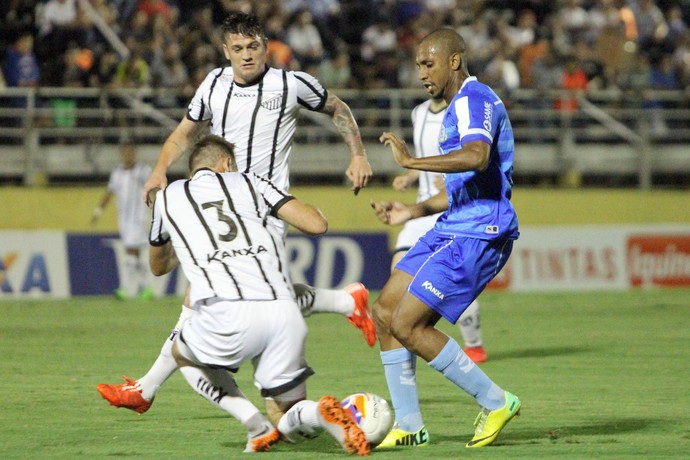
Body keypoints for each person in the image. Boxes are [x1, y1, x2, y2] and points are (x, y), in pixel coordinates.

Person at [97, 11, 374, 414]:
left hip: (265, 210)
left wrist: (358, 155)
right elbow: (182, 134)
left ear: (266, 47)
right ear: (226, 51)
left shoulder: (290, 84)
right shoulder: (212, 84)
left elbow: (337, 108)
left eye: (254, 47)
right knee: (248, 299)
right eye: (238, 49)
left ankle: (147, 388)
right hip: (221, 206)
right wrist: (158, 170)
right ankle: (347, 303)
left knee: (206, 297)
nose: (247, 55)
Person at [144, 135, 370, 455]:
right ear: (228, 164)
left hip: (229, 311)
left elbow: (158, 267)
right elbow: (316, 225)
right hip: (282, 311)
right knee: (285, 413)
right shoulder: (251, 182)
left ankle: (255, 426)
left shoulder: (169, 196)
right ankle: (318, 413)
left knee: (183, 354)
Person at [370, 28, 521, 449]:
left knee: (407, 323)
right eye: (418, 64)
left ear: (453, 60)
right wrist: (414, 210)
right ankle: (410, 425)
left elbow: (477, 156)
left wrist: (411, 160)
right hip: (454, 223)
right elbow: (467, 181)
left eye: (427, 62)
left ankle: (496, 401)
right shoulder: (458, 105)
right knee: (384, 311)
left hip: (480, 232)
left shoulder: (474, 100)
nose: (421, 72)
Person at [390, 94, 487, 365]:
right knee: (396, 281)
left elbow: (470, 157)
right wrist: (410, 176)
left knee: (446, 283)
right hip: (419, 209)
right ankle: (407, 352)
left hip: (448, 208)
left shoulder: (461, 114)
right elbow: (424, 158)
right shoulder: (418, 112)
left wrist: (454, 181)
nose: (426, 75)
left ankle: (473, 343)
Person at [92, 141, 154, 300]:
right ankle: (145, 289)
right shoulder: (117, 173)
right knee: (136, 253)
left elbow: (155, 188)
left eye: (130, 152)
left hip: (139, 218)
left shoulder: (143, 171)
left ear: (134, 153)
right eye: (124, 152)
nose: (127, 155)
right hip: (124, 219)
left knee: (130, 251)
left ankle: (125, 289)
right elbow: (109, 193)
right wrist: (98, 212)